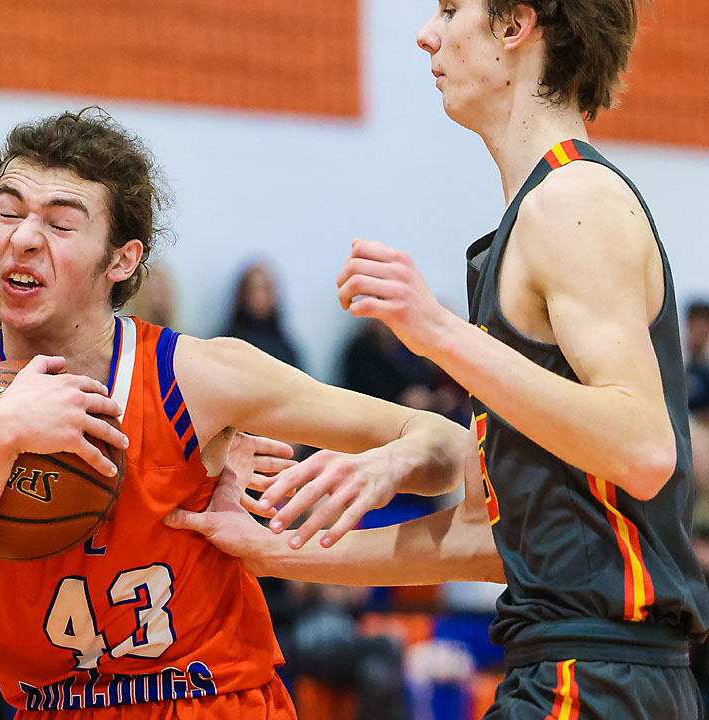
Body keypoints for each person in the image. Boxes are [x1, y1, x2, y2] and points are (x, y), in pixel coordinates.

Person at [169, 1, 709, 718]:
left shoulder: (574, 200)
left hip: (599, 672)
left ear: (516, 26)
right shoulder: (532, 216)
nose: (428, 32)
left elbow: (644, 447)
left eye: (453, 9)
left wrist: (437, 333)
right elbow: (493, 539)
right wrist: (271, 549)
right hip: (567, 664)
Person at [0, 109, 468, 719]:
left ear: (122, 260)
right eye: (9, 211)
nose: (24, 237)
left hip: (209, 700)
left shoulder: (196, 377)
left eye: (60, 223)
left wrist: (390, 462)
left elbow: (446, 447)